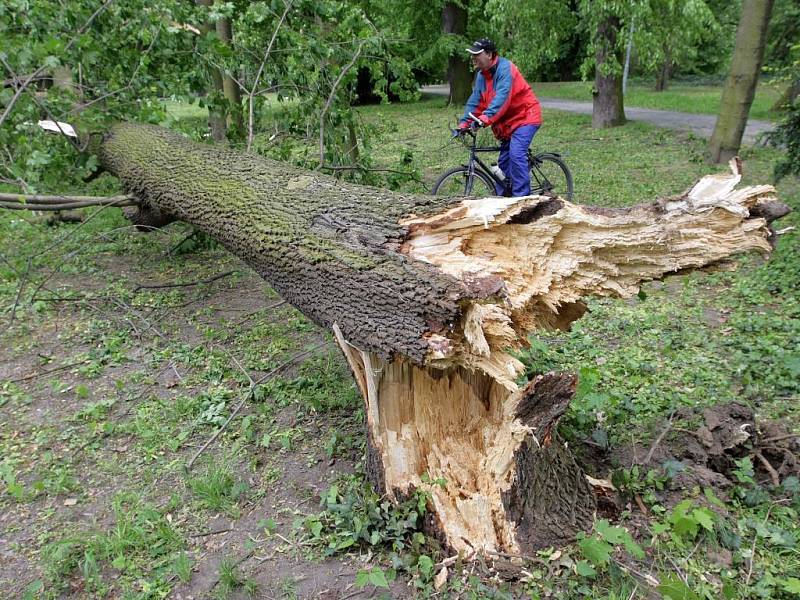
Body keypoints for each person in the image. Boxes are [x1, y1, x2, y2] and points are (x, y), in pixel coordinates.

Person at [458, 38, 542, 197]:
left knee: (516, 154)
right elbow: (475, 102)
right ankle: (501, 201)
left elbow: (502, 98)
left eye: (477, 54)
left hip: (525, 117)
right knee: (503, 167)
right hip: (508, 125)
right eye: (472, 55)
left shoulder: (505, 68)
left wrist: (486, 117)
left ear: (489, 54)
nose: (473, 58)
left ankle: (523, 201)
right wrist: (464, 123)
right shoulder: (482, 76)